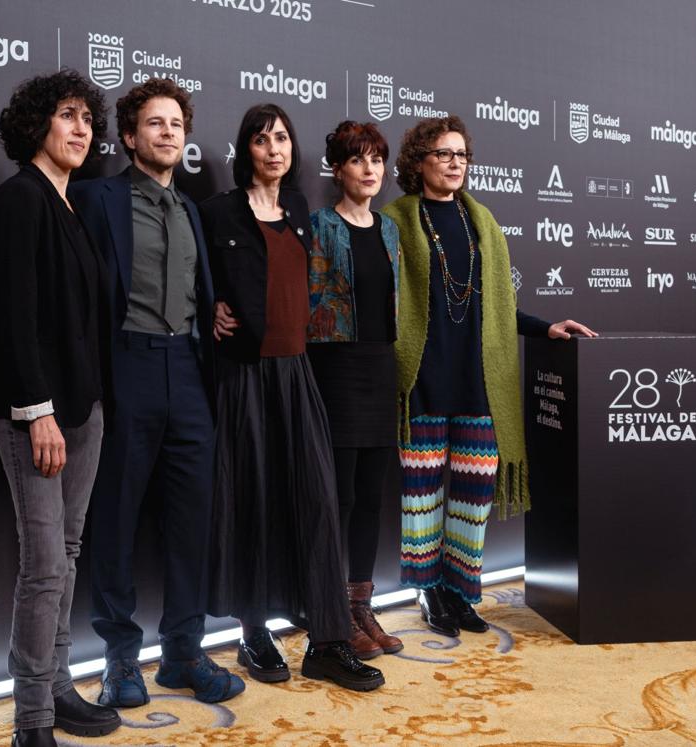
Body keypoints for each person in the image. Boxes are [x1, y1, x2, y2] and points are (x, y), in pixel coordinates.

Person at [381, 115, 596, 638]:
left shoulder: (484, 224)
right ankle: (430, 592)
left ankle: (460, 590)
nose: (455, 163)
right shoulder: (396, 220)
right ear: (418, 163)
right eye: (443, 154)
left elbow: (502, 307)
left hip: (479, 380)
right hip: (422, 379)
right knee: (422, 495)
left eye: (462, 155)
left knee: (473, 496)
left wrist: (546, 328)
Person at [69, 78, 245, 708]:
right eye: (154, 123)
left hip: (191, 375)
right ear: (127, 136)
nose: (168, 132)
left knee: (191, 521)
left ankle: (183, 653)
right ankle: (120, 658)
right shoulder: (95, 197)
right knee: (114, 519)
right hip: (127, 369)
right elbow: (42, 228)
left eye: (176, 123)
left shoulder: (193, 209)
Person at [200, 104, 384, 692]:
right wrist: (210, 308)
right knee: (254, 501)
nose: (273, 149)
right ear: (245, 149)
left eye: (281, 138)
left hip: (298, 374)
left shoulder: (301, 210)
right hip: (244, 378)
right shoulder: (216, 212)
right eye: (260, 139)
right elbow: (193, 278)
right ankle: (254, 633)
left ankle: (328, 643)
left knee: (319, 505)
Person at [0, 70, 120, 747]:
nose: (82, 127)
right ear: (38, 123)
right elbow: (12, 319)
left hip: (83, 410)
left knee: (65, 551)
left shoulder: (68, 203)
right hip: (40, 415)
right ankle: (32, 719)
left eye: (89, 117)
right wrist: (38, 411)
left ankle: (58, 686)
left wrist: (84, 408)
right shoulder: (18, 199)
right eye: (68, 114)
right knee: (44, 566)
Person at [306, 121, 404, 660]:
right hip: (335, 366)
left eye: (376, 160)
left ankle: (360, 602)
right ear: (338, 169)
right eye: (357, 160)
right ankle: (332, 610)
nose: (370, 170)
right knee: (337, 497)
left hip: (379, 365)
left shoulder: (387, 230)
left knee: (370, 497)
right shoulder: (319, 225)